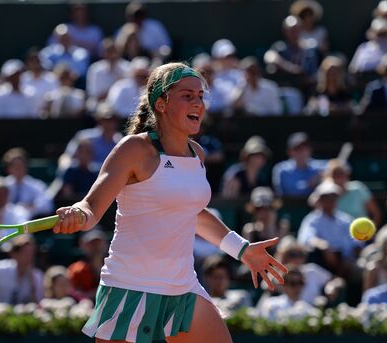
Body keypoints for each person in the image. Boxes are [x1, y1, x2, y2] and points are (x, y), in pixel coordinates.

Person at [51, 62, 287, 343]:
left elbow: (193, 213)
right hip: (130, 287)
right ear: (161, 104)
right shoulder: (134, 149)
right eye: (187, 96)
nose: (198, 103)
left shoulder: (196, 153)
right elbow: (92, 208)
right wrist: (77, 212)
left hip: (182, 287)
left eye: (201, 96)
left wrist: (242, 249)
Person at [297, 180, 361, 278]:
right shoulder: (312, 219)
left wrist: (350, 258)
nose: (330, 200)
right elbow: (306, 239)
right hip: (323, 265)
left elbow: (357, 243)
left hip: (348, 263)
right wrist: (324, 246)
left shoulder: (346, 219)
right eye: (325, 197)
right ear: (320, 200)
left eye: (333, 197)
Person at [322, 159, 382, 227]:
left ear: (347, 175)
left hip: (361, 234)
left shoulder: (358, 188)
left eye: (341, 174)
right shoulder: (326, 195)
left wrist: (371, 231)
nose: (339, 179)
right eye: (335, 175)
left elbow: (376, 213)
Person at [272, 132, 326, 197]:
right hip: (289, 205)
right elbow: (291, 191)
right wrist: (309, 184)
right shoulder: (281, 169)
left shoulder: (319, 166)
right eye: (298, 149)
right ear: (289, 151)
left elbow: (336, 165)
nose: (302, 152)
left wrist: (327, 176)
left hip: (316, 206)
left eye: (306, 148)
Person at [2, 148, 52, 217]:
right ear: (8, 169)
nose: (18, 169)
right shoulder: (2, 185)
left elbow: (48, 206)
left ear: (26, 167)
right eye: (15, 166)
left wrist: (32, 207)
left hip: (30, 224)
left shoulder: (37, 185)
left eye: (20, 166)